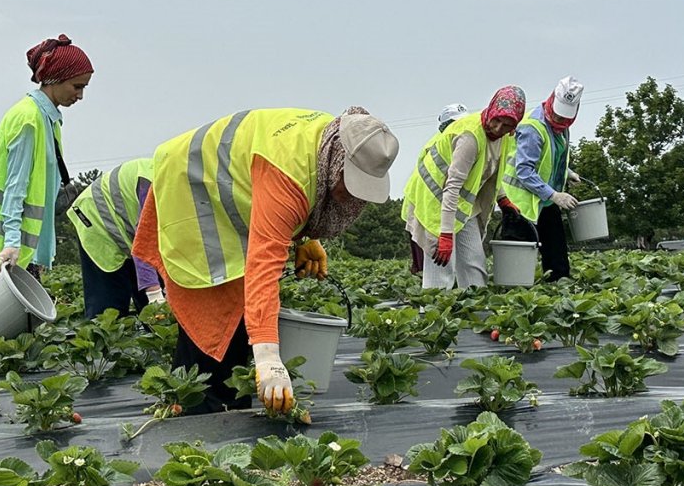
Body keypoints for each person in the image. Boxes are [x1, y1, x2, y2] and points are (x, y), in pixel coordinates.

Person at [132, 107, 399, 414]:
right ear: (337, 158)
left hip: (227, 198)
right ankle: (197, 418)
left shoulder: (328, 140)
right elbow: (263, 266)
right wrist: (270, 359)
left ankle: (225, 408)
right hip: (193, 195)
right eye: (349, 180)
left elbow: (300, 190)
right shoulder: (287, 171)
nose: (350, 194)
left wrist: (305, 237)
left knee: (235, 323)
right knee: (212, 317)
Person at [0, 35, 93, 287]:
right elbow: (15, 186)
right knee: (5, 323)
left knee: (21, 324)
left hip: (22, 246)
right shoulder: (28, 119)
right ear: (55, 80)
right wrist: (12, 243)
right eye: (77, 86)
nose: (80, 95)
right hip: (5, 246)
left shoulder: (47, 119)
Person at [403, 86, 526, 289]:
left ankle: (476, 315)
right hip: (435, 201)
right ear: (491, 111)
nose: (498, 128)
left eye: (506, 125)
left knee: (474, 264)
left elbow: (490, 169)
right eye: (496, 120)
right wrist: (445, 234)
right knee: (441, 266)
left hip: (464, 206)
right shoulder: (469, 136)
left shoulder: (504, 138)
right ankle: (431, 317)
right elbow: (452, 187)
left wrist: (502, 199)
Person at [497, 75, 584, 282]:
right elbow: (525, 170)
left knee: (557, 261)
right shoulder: (532, 127)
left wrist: (567, 172)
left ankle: (559, 295)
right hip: (519, 203)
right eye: (558, 114)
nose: (560, 120)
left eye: (565, 117)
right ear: (552, 100)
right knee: (515, 269)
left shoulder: (561, 128)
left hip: (544, 200)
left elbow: (548, 157)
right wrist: (554, 194)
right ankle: (513, 305)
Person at [70, 157, 165, 317]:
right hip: (95, 218)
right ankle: (106, 339)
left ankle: (156, 333)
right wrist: (155, 294)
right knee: (109, 307)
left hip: (126, 230)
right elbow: (145, 240)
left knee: (156, 307)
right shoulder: (154, 185)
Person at [410, 102, 470, 274]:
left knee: (444, 262)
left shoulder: (464, 141)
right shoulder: (438, 144)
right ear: (445, 125)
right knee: (431, 264)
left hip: (445, 206)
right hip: (426, 208)